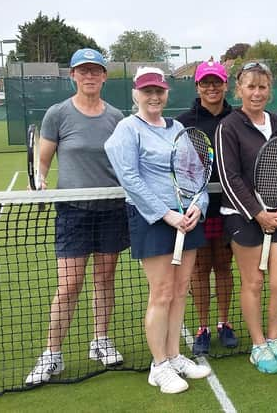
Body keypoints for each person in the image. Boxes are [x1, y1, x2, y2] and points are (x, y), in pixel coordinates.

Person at [25, 48, 129, 386]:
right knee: (69, 285)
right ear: (72, 76)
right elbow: (43, 160)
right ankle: (52, 354)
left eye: (95, 71)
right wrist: (40, 180)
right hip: (73, 212)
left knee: (104, 280)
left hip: (111, 209)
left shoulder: (116, 116)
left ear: (103, 77)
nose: (89, 76)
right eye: (82, 71)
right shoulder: (57, 114)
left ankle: (100, 341)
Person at [105, 67, 211, 393]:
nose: (154, 96)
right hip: (152, 221)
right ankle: (159, 366)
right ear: (136, 94)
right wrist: (166, 214)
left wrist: (198, 205)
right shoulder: (127, 129)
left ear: (166, 93)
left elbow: (196, 173)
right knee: (162, 293)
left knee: (181, 291)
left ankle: (175, 355)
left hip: (186, 218)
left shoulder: (178, 127)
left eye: (159, 91)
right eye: (147, 91)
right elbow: (130, 179)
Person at [215, 61, 277, 374]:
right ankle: (258, 344)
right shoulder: (229, 126)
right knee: (253, 281)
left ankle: (275, 339)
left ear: (270, 90)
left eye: (263, 87)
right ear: (239, 89)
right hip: (242, 216)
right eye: (251, 86)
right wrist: (258, 214)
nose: (257, 93)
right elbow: (228, 176)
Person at [176, 60, 238, 356]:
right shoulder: (183, 121)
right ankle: (203, 327)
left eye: (217, 82)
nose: (211, 88)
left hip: (230, 207)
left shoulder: (238, 119)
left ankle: (225, 323)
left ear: (226, 85)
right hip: (196, 208)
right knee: (200, 269)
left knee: (224, 267)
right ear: (197, 86)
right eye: (205, 83)